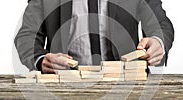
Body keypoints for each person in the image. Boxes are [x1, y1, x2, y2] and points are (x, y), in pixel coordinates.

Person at [15, 0, 174, 74]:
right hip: (66, 85)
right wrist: (41, 59)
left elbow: (161, 24)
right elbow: (27, 35)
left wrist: (158, 42)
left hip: (128, 83)